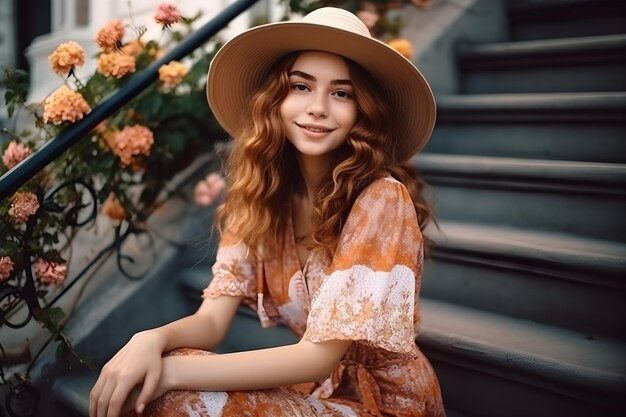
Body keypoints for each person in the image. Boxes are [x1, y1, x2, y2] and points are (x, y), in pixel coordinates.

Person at [89, 6, 445, 417]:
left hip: (386, 404)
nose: (318, 107)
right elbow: (211, 323)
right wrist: (148, 340)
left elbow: (316, 357)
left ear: (361, 112)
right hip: (319, 392)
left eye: (341, 93)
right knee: (158, 368)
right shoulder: (261, 196)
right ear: (275, 99)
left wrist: (170, 373)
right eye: (300, 86)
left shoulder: (381, 199)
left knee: (166, 387)